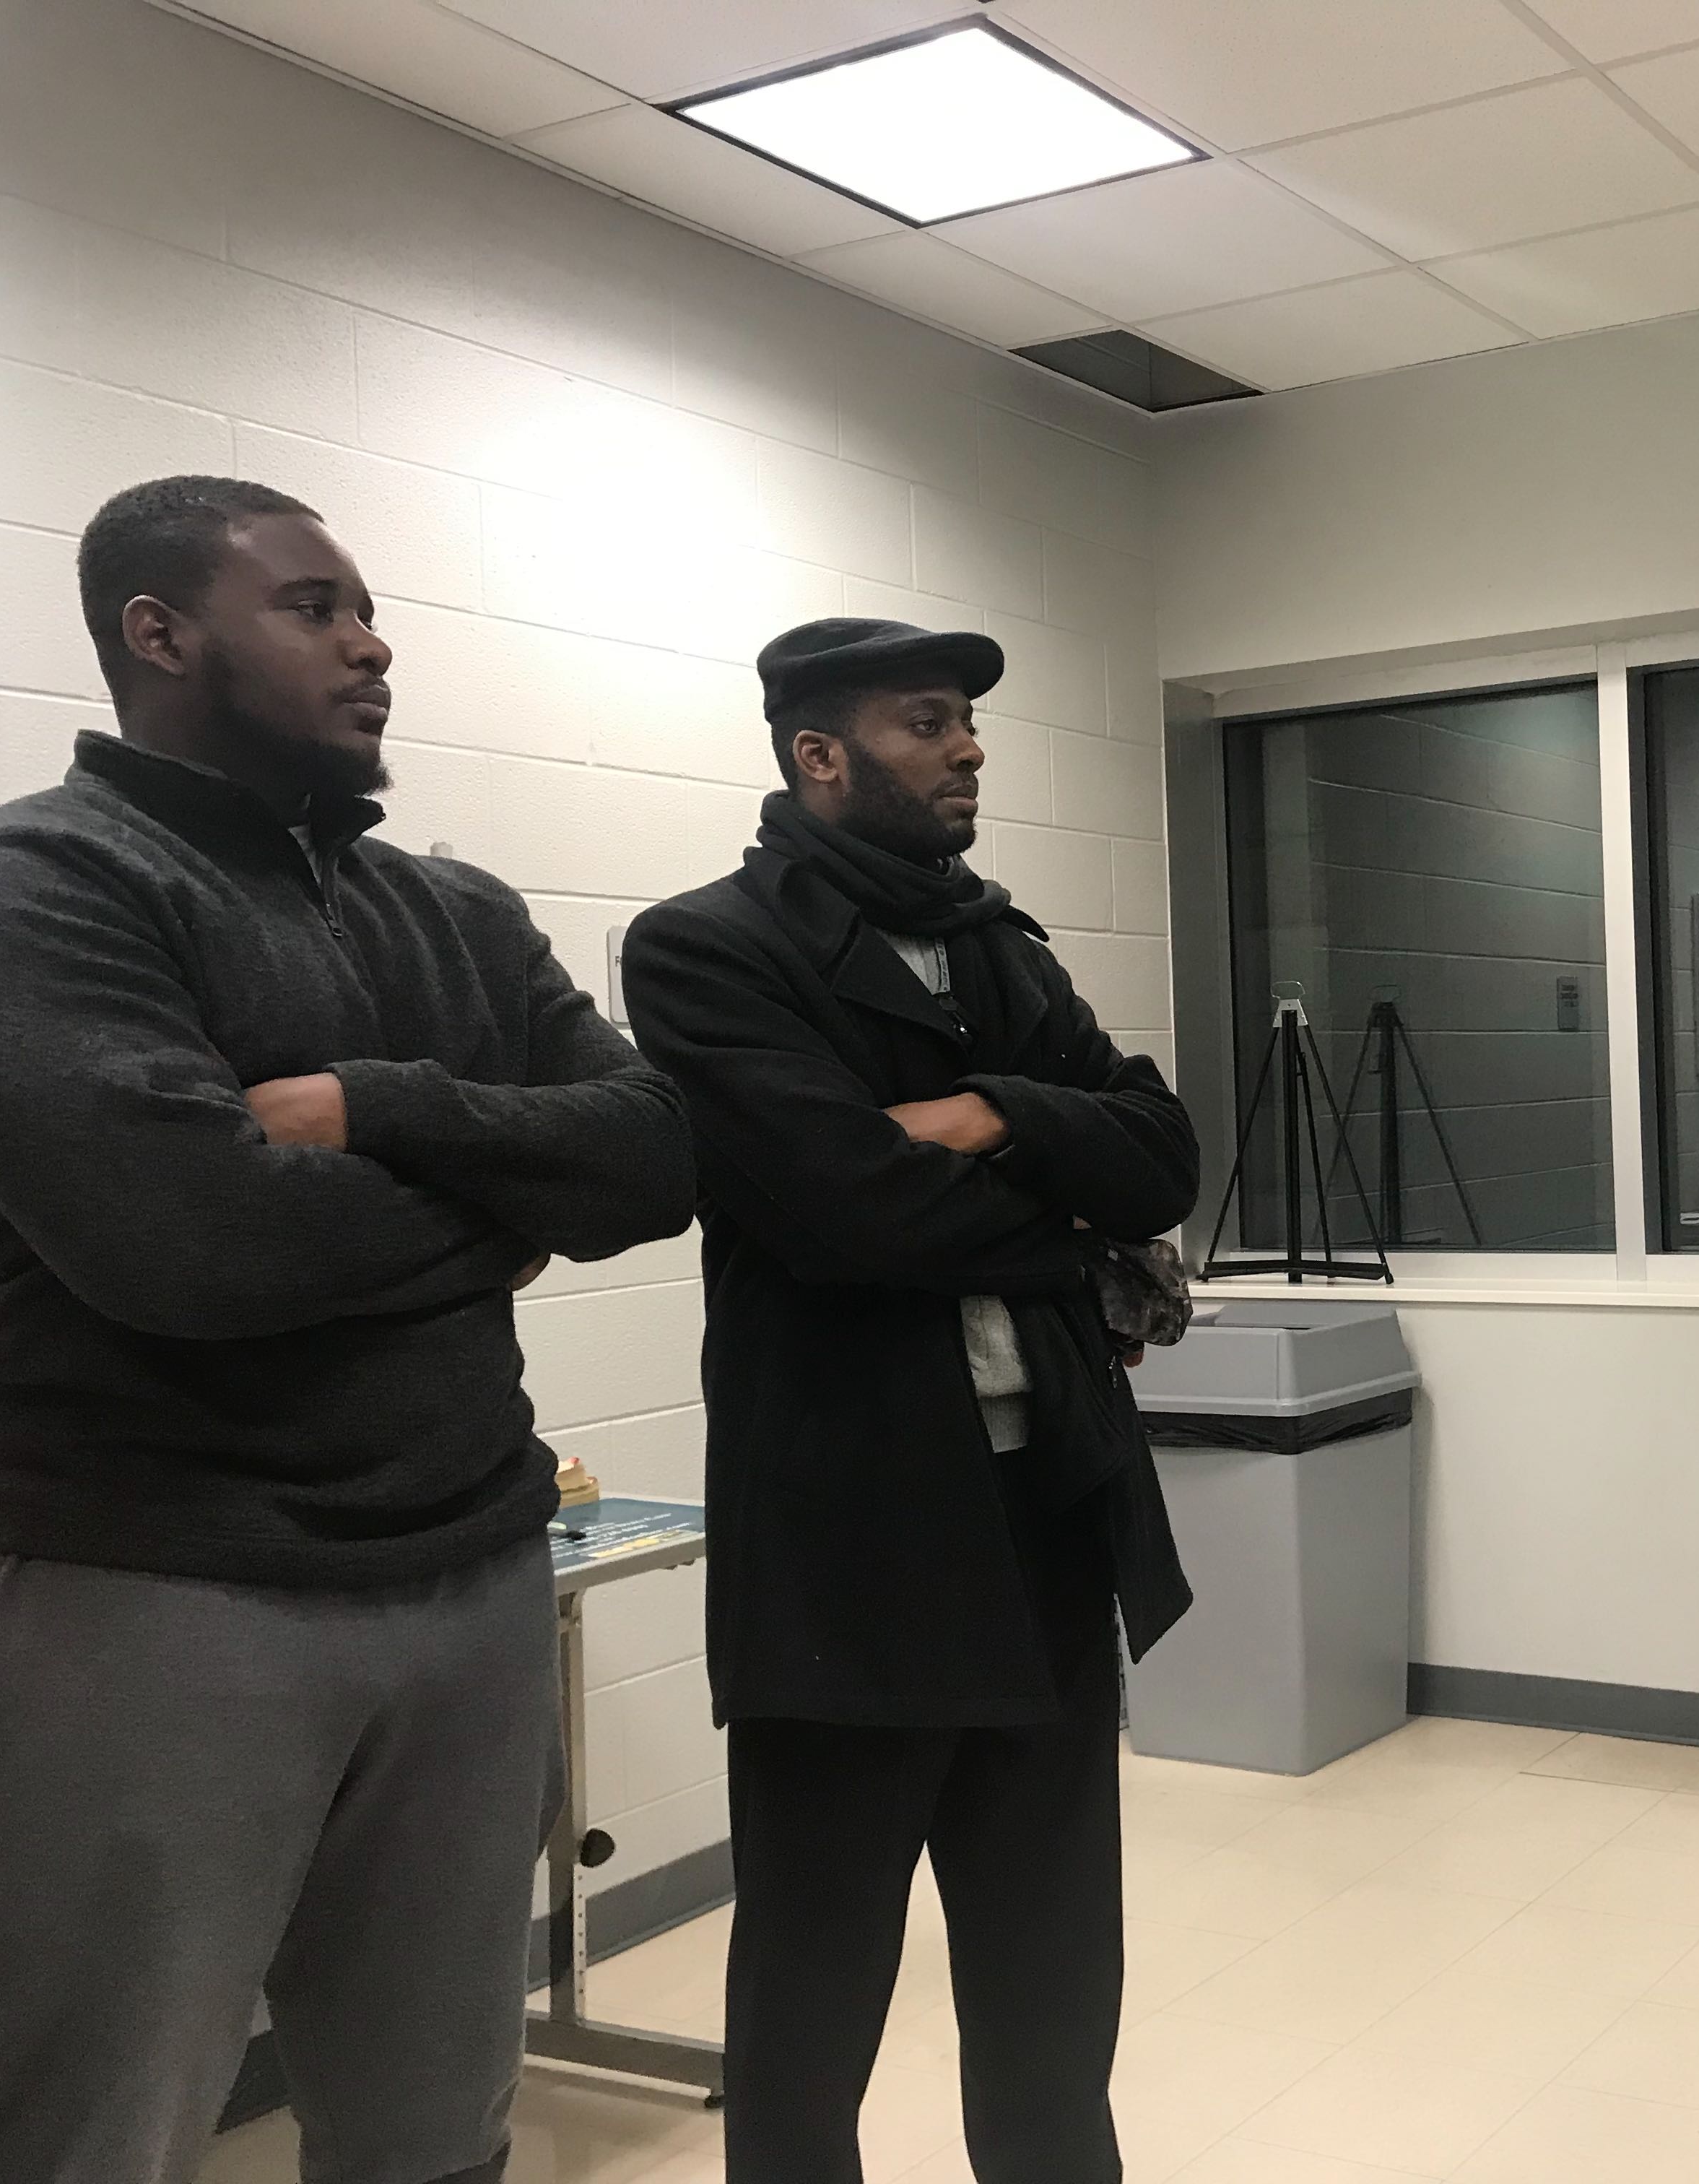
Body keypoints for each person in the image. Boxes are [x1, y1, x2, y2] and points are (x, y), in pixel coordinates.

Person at [0, 475, 695, 2183]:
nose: (371, 647)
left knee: (435, 2129)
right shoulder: (29, 889)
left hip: (474, 1577)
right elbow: (194, 1247)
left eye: (370, 611)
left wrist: (381, 1106)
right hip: (154, 1595)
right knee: (83, 2124)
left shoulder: (455, 911)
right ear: (159, 633)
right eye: (314, 607)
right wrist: (512, 1211)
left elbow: (654, 1155)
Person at [620, 618, 1196, 2184]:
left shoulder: (998, 943)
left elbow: (1164, 1151)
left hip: (1048, 1522)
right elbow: (847, 1211)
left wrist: (991, 1108)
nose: (970, 750)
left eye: (966, 724)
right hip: (853, 1549)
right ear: (820, 753)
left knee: (1055, 1995)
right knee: (813, 2010)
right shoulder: (705, 948)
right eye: (928, 722)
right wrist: (1066, 1204)